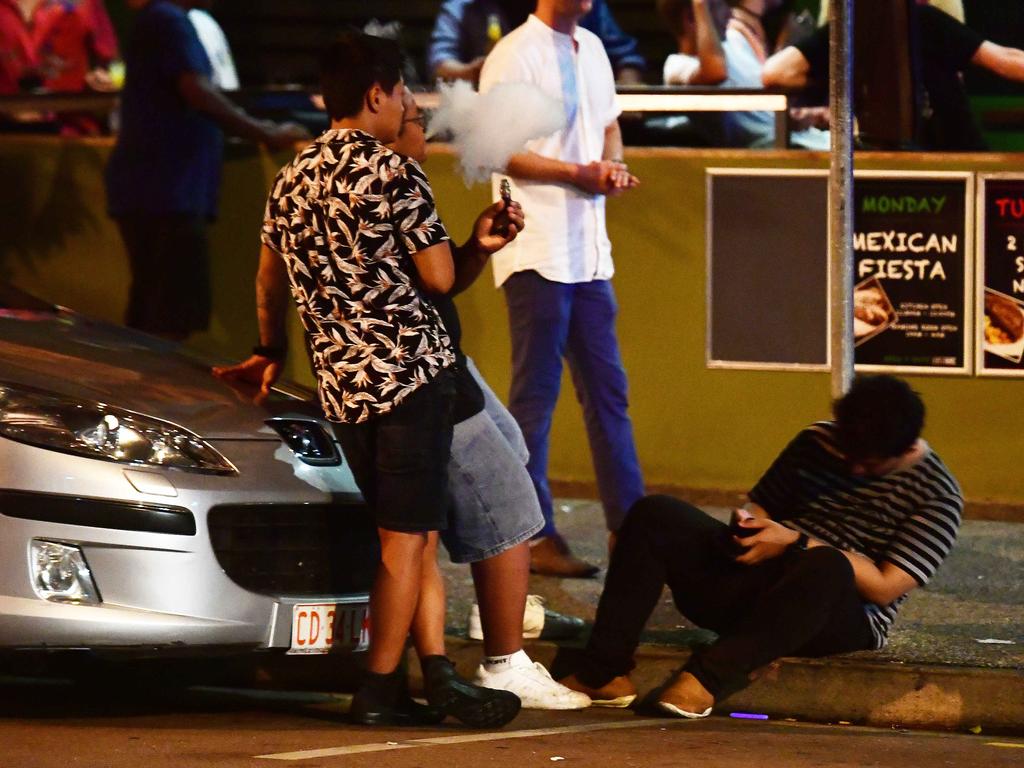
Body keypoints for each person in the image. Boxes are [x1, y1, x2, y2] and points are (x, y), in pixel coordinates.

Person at [214, 88, 589, 711]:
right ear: (379, 103)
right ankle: (465, 666)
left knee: (419, 531)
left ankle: (435, 671)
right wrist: (459, 252)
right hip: (415, 375)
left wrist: (268, 344)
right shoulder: (391, 173)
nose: (424, 127)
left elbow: (270, 274)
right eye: (415, 116)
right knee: (466, 517)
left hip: (353, 384)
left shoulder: (294, 176)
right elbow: (439, 280)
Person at [561, 375, 963, 718]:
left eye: (870, 465)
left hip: (834, 611)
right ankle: (604, 670)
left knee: (827, 565)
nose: (855, 469)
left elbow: (883, 586)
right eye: (848, 455)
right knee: (656, 513)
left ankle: (705, 680)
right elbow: (762, 504)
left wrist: (795, 542)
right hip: (760, 578)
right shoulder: (817, 440)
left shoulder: (937, 494)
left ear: (907, 448)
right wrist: (748, 526)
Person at [477, 0, 644, 578]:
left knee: (609, 393)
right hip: (537, 246)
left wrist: (613, 166)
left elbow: (608, 126)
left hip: (588, 253)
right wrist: (579, 174)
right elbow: (500, 150)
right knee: (535, 400)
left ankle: (633, 531)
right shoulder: (513, 55)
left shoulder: (593, 48)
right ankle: (532, 534)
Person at [105, 0, 308, 341]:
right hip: (166, 192)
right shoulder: (168, 20)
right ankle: (154, 394)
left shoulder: (162, 20)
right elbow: (197, 91)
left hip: (155, 190)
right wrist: (266, 132)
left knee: (152, 313)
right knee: (167, 320)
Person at [762, 3, 1024, 151]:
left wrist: (840, 81)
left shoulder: (846, 29)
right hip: (949, 154)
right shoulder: (923, 19)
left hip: (877, 157)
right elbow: (1004, 61)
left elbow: (776, 73)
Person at [658, 0, 829, 150]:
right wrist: (700, 4)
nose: (728, 14)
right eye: (717, 7)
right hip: (769, 152)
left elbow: (767, 109)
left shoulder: (734, 44)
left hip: (806, 139)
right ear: (691, 18)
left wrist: (802, 117)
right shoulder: (676, 65)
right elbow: (716, 70)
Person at [429, 0, 645, 85]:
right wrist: (471, 71)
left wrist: (625, 101)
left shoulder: (580, 4)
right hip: (491, 116)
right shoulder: (463, 6)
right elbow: (439, 63)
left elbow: (626, 57)